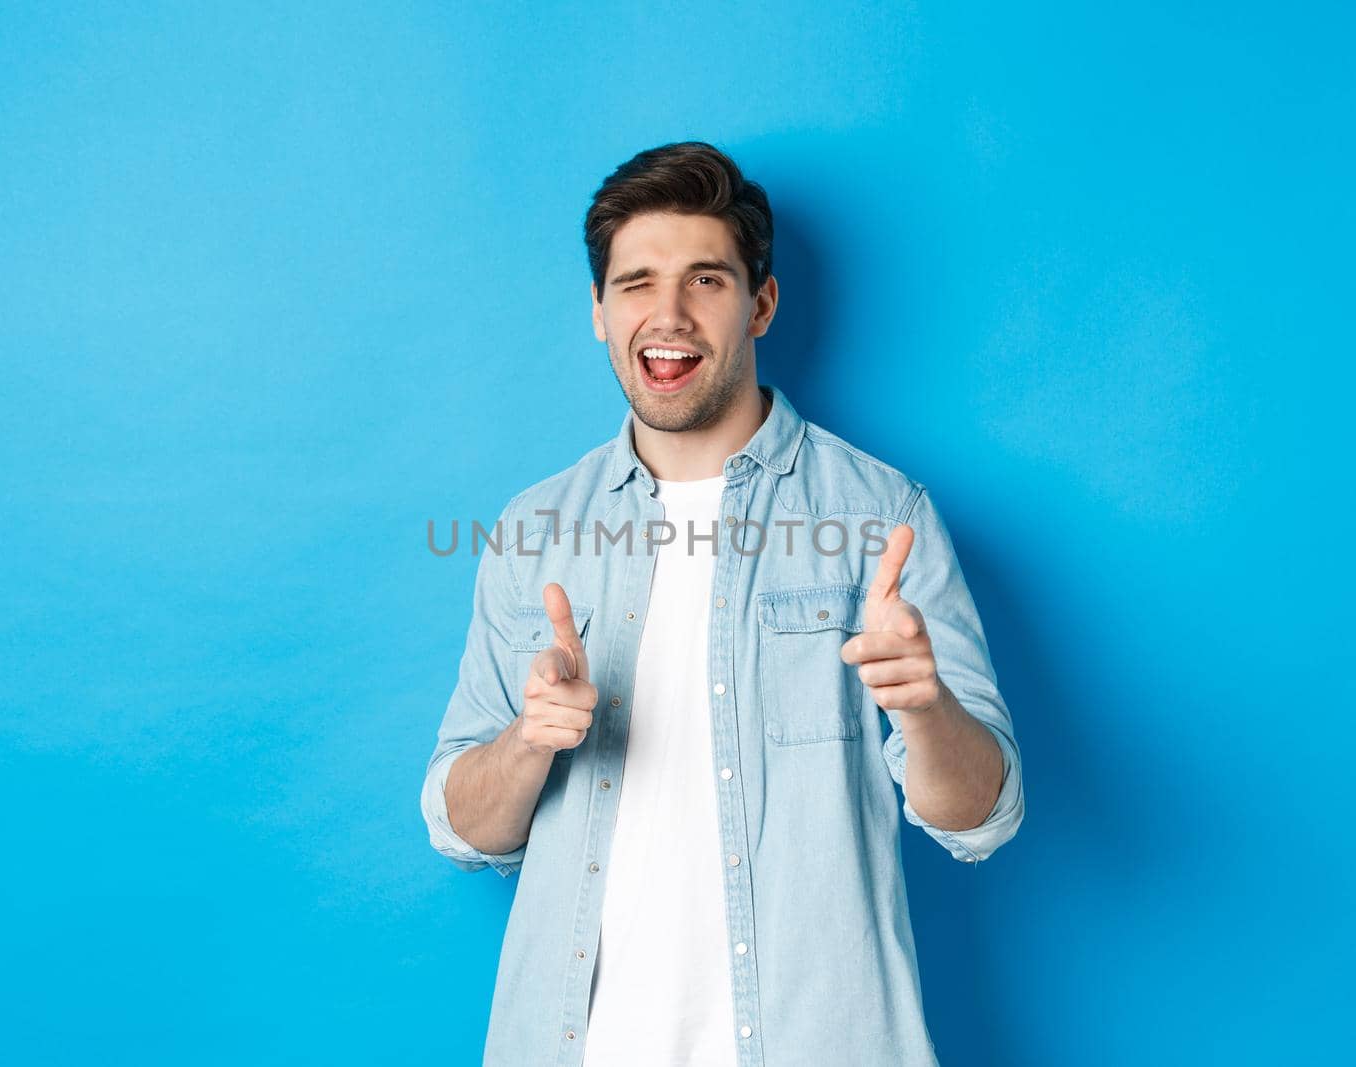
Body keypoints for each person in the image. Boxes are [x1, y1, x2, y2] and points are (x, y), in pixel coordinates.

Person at [420, 141, 1024, 1067]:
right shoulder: (533, 529)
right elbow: (464, 829)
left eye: (705, 279)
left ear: (761, 303)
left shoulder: (879, 518)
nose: (667, 315)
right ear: (597, 311)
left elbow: (982, 814)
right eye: (635, 283)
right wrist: (529, 740)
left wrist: (925, 707)